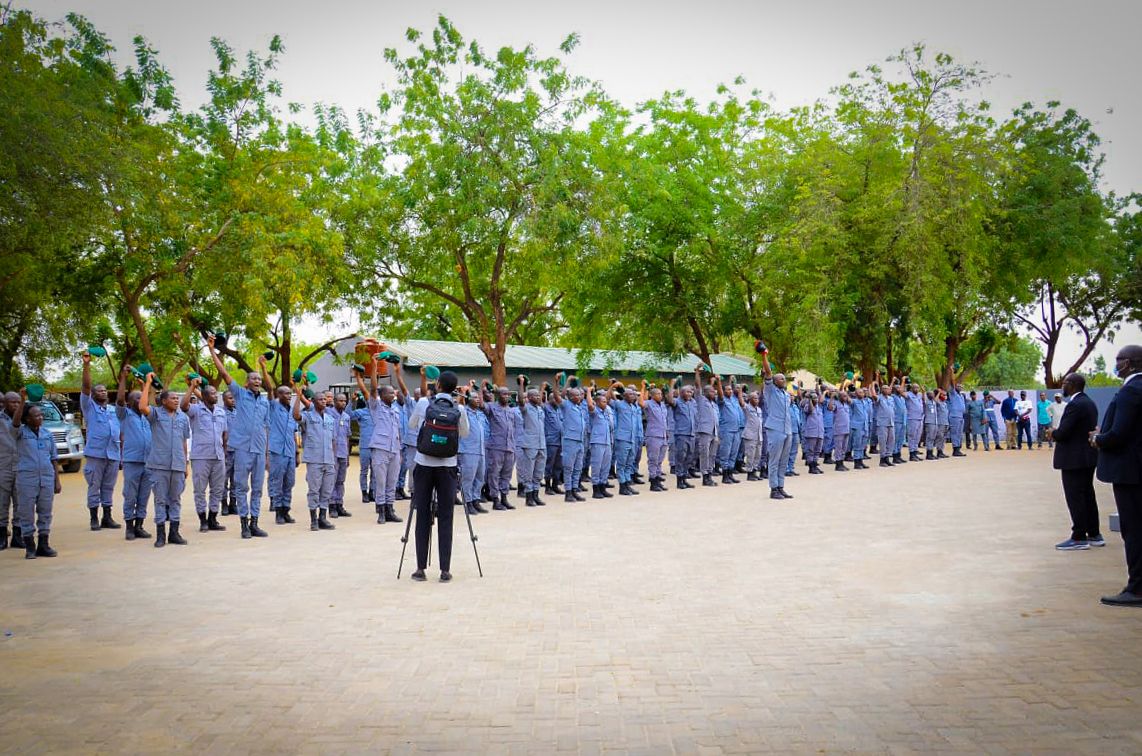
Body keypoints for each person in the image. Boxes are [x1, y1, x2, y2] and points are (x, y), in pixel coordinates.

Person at [1091, 345, 1142, 607]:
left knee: (1133, 530)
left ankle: (1136, 587)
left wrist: (1098, 439)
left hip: (1130, 472)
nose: (1116, 364)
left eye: (1119, 360)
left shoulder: (1130, 391)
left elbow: (1119, 434)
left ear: (1131, 363)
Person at [408, 370, 470, 582]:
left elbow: (411, 425)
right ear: (455, 388)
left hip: (424, 464)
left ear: (438, 385)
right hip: (447, 466)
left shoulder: (424, 403)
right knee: (446, 516)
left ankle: (420, 569)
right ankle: (445, 570)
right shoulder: (459, 408)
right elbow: (465, 433)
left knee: (422, 514)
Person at [207, 335, 270, 539]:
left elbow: (265, 427)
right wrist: (211, 351)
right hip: (242, 449)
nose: (257, 381)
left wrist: (267, 453)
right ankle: (244, 524)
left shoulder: (265, 403)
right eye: (253, 378)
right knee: (241, 487)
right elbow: (224, 373)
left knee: (258, 489)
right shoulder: (240, 395)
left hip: (259, 450)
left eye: (259, 379)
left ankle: (255, 523)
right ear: (246, 383)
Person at [138, 373, 191, 548]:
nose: (177, 401)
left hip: (177, 465)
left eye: (178, 398)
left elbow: (184, 441)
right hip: (159, 465)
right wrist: (147, 383)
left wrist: (185, 464)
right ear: (164, 401)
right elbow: (142, 405)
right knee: (160, 500)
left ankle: (174, 533)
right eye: (173, 398)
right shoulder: (155, 414)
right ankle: (160, 535)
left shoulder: (183, 417)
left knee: (175, 499)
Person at [1051, 373, 1101, 550]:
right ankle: (1094, 533)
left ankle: (1079, 536)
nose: (1062, 386)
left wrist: (1053, 433)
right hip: (1087, 457)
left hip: (1073, 459)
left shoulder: (1074, 405)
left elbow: (1063, 432)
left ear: (1071, 385)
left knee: (1075, 497)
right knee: (1087, 494)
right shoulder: (1089, 403)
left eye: (1064, 383)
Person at [10, 390, 61, 558]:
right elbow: (15, 422)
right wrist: (23, 400)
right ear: (27, 419)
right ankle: (30, 546)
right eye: (36, 416)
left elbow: (54, 458)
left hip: (46, 477)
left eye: (41, 415)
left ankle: (44, 544)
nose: (40, 418)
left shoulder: (47, 434)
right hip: (27, 478)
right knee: (26, 512)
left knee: (46, 511)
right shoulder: (19, 432)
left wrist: (56, 480)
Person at [354, 359, 405, 524]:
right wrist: (374, 366)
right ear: (382, 396)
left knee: (392, 481)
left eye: (394, 393)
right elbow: (374, 388)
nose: (393, 395)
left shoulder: (395, 409)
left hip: (394, 450)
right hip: (380, 449)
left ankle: (390, 509)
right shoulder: (375, 406)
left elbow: (397, 431)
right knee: (380, 482)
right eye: (390, 393)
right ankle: (381, 511)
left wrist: (399, 451)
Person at [80, 351, 122, 531]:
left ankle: (107, 517)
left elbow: (120, 432)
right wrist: (87, 365)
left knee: (108, 487)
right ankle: (93, 518)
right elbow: (86, 386)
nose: (103, 392)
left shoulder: (113, 410)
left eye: (105, 390)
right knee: (94, 486)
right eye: (99, 390)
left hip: (112, 453)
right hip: (96, 454)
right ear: (93, 394)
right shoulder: (88, 406)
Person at [182, 376, 228, 534]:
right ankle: (203, 520)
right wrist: (191, 387)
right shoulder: (196, 410)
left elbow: (224, 434)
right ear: (205, 396)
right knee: (200, 490)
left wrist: (225, 453)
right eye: (213, 394)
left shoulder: (221, 412)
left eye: (216, 393)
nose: (216, 396)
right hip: (201, 457)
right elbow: (183, 406)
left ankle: (213, 519)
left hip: (218, 457)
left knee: (217, 489)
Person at [294, 382, 337, 531]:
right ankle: (313, 520)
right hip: (314, 460)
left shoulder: (330, 419)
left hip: (329, 460)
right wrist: (299, 397)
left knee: (326, 490)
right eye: (320, 399)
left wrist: (334, 459)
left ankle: (322, 518)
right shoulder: (307, 417)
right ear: (313, 402)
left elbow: (333, 440)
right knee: (314, 490)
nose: (323, 401)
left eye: (325, 399)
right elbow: (296, 416)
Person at [761, 352, 793, 499]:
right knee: (774, 459)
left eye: (784, 377)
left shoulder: (786, 394)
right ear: (774, 381)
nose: (783, 379)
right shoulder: (770, 391)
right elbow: (768, 371)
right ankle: (773, 489)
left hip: (787, 430)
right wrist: (764, 355)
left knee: (783, 460)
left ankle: (781, 486)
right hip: (775, 429)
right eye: (780, 378)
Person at [265, 380, 298, 525]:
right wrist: (265, 369)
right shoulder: (273, 406)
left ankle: (286, 510)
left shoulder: (292, 411)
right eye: (286, 393)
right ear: (279, 395)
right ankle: (278, 511)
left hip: (290, 451)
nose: (289, 395)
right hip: (277, 451)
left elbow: (294, 433)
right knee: (277, 481)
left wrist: (297, 453)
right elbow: (269, 390)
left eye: (290, 393)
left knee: (289, 482)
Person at [550, 380, 588, 503]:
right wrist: (556, 383)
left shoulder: (579, 407)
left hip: (580, 441)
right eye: (576, 395)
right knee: (568, 468)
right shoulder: (566, 405)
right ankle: (568, 492)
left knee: (578, 468)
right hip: (570, 441)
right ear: (570, 396)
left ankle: (575, 490)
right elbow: (556, 396)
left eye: (580, 394)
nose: (579, 396)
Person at [482, 385, 517, 510]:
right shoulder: (491, 407)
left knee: (507, 474)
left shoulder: (511, 410)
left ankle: (504, 498)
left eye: (508, 394)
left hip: (510, 447)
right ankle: (495, 499)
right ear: (498, 395)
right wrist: (482, 389)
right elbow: (481, 405)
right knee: (494, 473)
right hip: (496, 447)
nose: (506, 396)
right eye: (504, 394)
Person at [457, 384, 489, 515]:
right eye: (474, 397)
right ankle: (468, 502)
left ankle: (476, 500)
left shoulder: (480, 414)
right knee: (468, 478)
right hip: (468, 450)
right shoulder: (464, 412)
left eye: (478, 398)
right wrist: (463, 394)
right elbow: (458, 408)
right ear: (468, 399)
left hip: (480, 450)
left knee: (480, 477)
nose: (478, 399)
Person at [517, 376, 548, 506]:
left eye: (538, 395)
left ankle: (536, 494)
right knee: (528, 472)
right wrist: (522, 384)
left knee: (539, 472)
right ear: (528, 397)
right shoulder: (525, 408)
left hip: (542, 445)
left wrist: (542, 388)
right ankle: (529, 496)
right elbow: (519, 399)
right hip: (530, 445)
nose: (538, 397)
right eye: (534, 395)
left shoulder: (540, 409)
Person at [693, 369, 722, 487]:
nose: (713, 393)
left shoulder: (714, 404)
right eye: (711, 391)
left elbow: (720, 394)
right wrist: (697, 373)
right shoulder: (700, 399)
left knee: (712, 454)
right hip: (704, 431)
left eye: (714, 391)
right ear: (705, 393)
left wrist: (717, 381)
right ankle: (705, 476)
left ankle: (710, 473)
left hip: (714, 432)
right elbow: (697, 385)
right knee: (704, 454)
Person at [586, 385, 615, 499]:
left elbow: (607, 397)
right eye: (603, 402)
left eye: (606, 402)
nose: (605, 403)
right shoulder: (595, 412)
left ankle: (603, 487)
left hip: (607, 442)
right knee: (596, 466)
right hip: (597, 442)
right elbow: (589, 404)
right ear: (597, 403)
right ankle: (596, 489)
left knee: (605, 466)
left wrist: (611, 387)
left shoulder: (606, 412)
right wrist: (589, 391)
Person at [668, 381, 697, 490]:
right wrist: (672, 386)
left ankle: (685, 478)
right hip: (681, 434)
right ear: (681, 393)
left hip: (691, 434)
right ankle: (679, 480)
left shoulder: (692, 403)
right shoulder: (677, 402)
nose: (689, 394)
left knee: (689, 457)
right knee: (680, 457)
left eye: (691, 392)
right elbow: (670, 400)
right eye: (687, 392)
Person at [328, 392, 353, 518]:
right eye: (340, 400)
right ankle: (331, 505)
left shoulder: (346, 417)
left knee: (341, 480)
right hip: (332, 453)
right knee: (332, 479)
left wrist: (348, 455)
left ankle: (339, 503)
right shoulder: (328, 414)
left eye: (344, 401)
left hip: (343, 452)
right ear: (334, 401)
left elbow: (348, 436)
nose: (343, 403)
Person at [0, 392, 20, 550]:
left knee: (21, 503)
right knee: (2, 503)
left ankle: (18, 536)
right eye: (12, 402)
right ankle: (2, 536)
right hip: (3, 467)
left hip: (21, 468)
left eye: (18, 402)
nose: (16, 405)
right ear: (4, 403)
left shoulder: (25, 420)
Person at [643, 382, 671, 492]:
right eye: (658, 394)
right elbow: (641, 403)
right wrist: (644, 388)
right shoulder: (649, 403)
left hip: (663, 436)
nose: (660, 395)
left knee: (660, 460)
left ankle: (658, 480)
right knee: (653, 460)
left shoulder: (663, 405)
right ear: (652, 395)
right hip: (653, 435)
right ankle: (653, 481)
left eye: (661, 394)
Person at [350, 392, 375, 505]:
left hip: (376, 447)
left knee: (375, 472)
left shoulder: (379, 412)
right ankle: (364, 492)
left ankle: (372, 492)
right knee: (364, 471)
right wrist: (352, 401)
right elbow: (348, 414)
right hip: (365, 446)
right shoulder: (361, 412)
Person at [542, 380, 564, 496]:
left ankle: (555, 485)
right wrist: (543, 388)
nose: (556, 400)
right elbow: (540, 402)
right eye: (554, 399)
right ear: (549, 399)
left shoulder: (560, 409)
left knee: (558, 465)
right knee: (549, 464)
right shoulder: (545, 408)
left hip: (560, 441)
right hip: (551, 441)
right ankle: (547, 486)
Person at [221, 389, 238, 515]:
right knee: (223, 479)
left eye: (234, 398)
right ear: (224, 399)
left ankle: (233, 503)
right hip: (226, 451)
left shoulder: (239, 412)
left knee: (236, 479)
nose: (233, 400)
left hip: (238, 450)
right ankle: (224, 504)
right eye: (230, 398)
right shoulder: (220, 413)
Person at [873, 381, 896, 468]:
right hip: (882, 423)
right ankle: (882, 459)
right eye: (884, 388)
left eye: (887, 388)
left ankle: (887, 457)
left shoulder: (891, 399)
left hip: (891, 422)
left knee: (891, 440)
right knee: (883, 441)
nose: (886, 390)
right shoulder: (879, 398)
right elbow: (874, 396)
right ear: (881, 390)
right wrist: (872, 386)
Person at [800, 392, 825, 474]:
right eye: (814, 398)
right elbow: (810, 410)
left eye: (816, 398)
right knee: (811, 450)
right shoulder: (808, 406)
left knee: (818, 450)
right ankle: (811, 467)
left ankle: (815, 465)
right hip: (811, 432)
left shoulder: (819, 408)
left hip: (819, 432)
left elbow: (821, 399)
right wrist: (809, 400)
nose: (816, 399)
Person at [830, 391, 851, 472]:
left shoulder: (846, 405)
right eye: (844, 396)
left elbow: (850, 400)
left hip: (846, 429)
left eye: (846, 396)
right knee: (838, 448)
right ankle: (838, 464)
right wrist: (832, 398)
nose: (845, 398)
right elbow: (830, 408)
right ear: (839, 397)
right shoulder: (836, 404)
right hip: (839, 429)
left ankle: (841, 463)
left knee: (844, 448)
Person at [904, 383, 924, 462]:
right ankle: (911, 454)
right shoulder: (909, 394)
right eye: (915, 387)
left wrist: (923, 391)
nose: (916, 389)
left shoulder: (919, 395)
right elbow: (902, 392)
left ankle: (915, 452)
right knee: (912, 437)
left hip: (920, 418)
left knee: (917, 437)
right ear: (911, 388)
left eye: (917, 387)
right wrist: (903, 382)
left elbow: (924, 399)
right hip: (912, 418)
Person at [948, 383, 967, 457]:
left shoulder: (961, 395)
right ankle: (955, 449)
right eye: (958, 386)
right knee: (955, 433)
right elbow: (952, 384)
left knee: (959, 433)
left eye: (961, 386)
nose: (960, 387)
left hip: (961, 416)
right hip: (954, 416)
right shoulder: (953, 393)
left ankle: (958, 448)